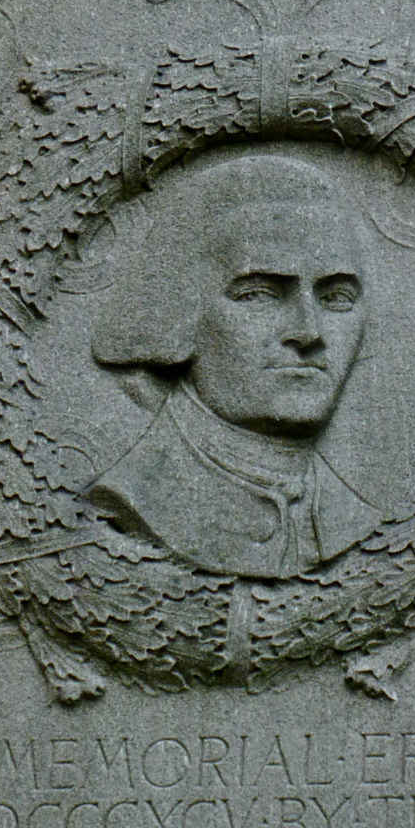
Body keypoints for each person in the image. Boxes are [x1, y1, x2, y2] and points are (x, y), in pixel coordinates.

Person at [86, 148, 381, 576]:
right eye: (260, 294)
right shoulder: (133, 499)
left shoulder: (357, 520)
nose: (309, 332)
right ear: (178, 313)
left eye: (336, 298)